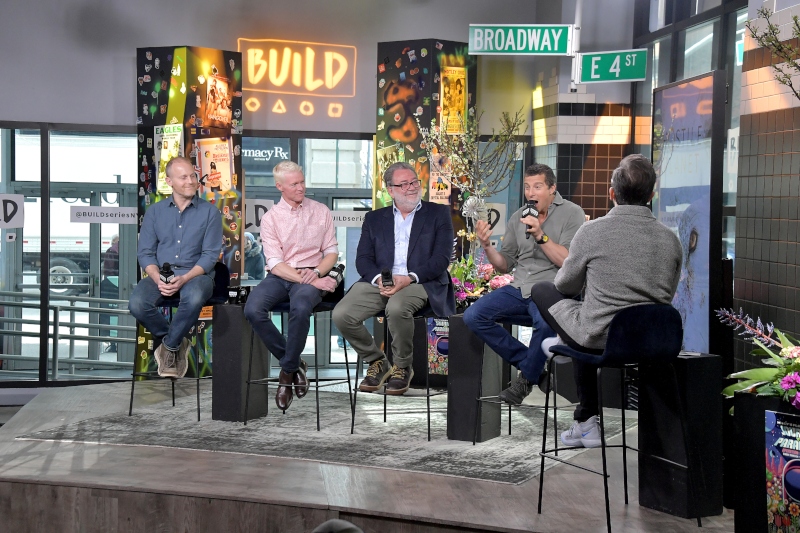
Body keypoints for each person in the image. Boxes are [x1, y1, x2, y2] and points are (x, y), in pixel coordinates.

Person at [531, 154, 682, 448]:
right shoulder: (671, 239)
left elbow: (565, 285)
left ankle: (566, 349)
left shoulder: (592, 231)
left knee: (542, 290)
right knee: (586, 321)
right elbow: (667, 294)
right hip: (656, 343)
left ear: (612, 194)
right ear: (652, 195)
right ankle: (584, 418)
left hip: (602, 338)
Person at [463, 163, 585, 405]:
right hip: (521, 288)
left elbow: (568, 261)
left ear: (552, 188)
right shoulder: (518, 216)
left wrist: (541, 235)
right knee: (473, 316)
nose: (531, 193)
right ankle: (533, 370)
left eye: (537, 187)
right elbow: (504, 265)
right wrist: (487, 246)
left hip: (553, 290)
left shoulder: (573, 213)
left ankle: (524, 382)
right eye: (527, 187)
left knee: (545, 322)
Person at [332, 162, 454, 396]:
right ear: (390, 189)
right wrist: (379, 279)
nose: (411, 188)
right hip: (382, 281)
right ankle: (377, 361)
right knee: (342, 314)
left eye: (414, 182)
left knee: (397, 308)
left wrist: (408, 278)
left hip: (421, 280)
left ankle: (402, 367)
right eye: (403, 184)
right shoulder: (374, 218)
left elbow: (441, 259)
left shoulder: (438, 214)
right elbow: (363, 259)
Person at [243, 161, 339, 411]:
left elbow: (331, 253)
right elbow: (274, 263)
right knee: (252, 309)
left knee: (301, 305)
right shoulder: (271, 218)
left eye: (302, 181)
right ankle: (294, 363)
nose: (301, 187)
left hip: (312, 272)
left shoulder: (321, 211)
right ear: (280, 187)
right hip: (281, 275)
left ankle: (286, 374)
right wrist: (313, 279)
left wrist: (316, 272)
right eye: (294, 184)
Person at [128, 156, 223, 378]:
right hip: (161, 274)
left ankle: (168, 347)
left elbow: (210, 256)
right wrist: (158, 277)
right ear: (169, 181)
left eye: (193, 175)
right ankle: (176, 341)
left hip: (197, 274)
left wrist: (185, 278)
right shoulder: (154, 212)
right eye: (183, 177)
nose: (191, 181)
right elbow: (145, 253)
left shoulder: (210, 212)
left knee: (194, 297)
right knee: (137, 304)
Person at [100, 235, 120, 352]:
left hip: (112, 288)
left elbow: (108, 271)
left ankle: (113, 343)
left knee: (112, 316)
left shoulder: (112, 251)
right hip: (123, 287)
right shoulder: (136, 249)